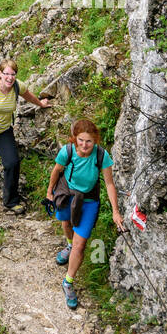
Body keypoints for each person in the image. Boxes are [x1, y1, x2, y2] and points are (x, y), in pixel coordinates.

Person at [46, 118, 124, 309]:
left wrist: (116, 211)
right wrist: (49, 192)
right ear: (75, 139)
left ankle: (68, 282)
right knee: (66, 224)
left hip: (88, 200)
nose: (84, 145)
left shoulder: (101, 155)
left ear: (95, 140)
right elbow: (57, 170)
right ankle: (69, 245)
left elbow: (109, 184)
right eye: (81, 140)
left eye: (89, 141)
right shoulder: (68, 151)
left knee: (81, 245)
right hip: (66, 193)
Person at [0, 58, 51, 214]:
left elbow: (29, 96)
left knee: (12, 162)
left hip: (3, 130)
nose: (10, 78)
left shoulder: (18, 86)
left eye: (13, 74)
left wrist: (40, 104)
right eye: (6, 74)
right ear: (0, 74)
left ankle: (11, 201)